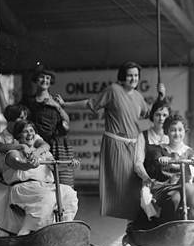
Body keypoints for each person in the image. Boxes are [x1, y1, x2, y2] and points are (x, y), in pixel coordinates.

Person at [56, 61, 166, 221]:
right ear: (123, 76)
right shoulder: (113, 90)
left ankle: (141, 222)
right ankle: (134, 222)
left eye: (136, 75)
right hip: (116, 145)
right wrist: (65, 104)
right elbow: (90, 104)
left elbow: (150, 114)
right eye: (130, 75)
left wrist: (160, 98)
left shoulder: (138, 96)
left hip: (135, 145)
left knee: (138, 188)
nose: (133, 78)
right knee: (124, 189)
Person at [0, 63, 75, 187]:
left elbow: (67, 121)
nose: (45, 80)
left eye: (48, 78)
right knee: (39, 182)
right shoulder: (28, 101)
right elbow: (10, 113)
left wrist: (57, 106)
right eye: (42, 77)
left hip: (57, 147)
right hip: (36, 145)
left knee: (64, 186)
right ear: (36, 80)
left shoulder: (56, 101)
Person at [0, 104, 50, 236]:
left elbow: (44, 145)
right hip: (8, 176)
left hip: (26, 176)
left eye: (25, 117)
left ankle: (36, 229)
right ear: (10, 119)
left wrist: (37, 152)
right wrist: (21, 146)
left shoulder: (29, 133)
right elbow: (0, 147)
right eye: (20, 117)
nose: (23, 119)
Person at [132, 113, 194, 230]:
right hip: (166, 187)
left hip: (186, 187)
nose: (177, 133)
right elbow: (155, 158)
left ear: (184, 131)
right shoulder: (159, 149)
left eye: (180, 130)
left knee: (192, 192)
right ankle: (167, 230)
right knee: (175, 198)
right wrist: (161, 160)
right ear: (167, 132)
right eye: (173, 130)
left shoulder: (189, 151)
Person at [3, 120, 79, 235]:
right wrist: (28, 164)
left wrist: (69, 165)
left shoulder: (44, 153)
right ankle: (28, 232)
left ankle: (64, 227)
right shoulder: (13, 153)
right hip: (24, 188)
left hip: (45, 186)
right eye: (25, 131)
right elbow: (19, 164)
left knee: (69, 193)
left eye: (31, 130)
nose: (29, 134)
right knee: (47, 197)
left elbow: (55, 167)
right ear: (18, 135)